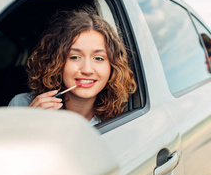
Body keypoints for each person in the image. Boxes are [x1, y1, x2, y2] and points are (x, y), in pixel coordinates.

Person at [9, 9, 137, 125]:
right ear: (56, 62)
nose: (87, 70)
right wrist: (26, 125)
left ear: (112, 67)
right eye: (75, 57)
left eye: (98, 58)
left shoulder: (123, 119)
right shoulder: (22, 105)